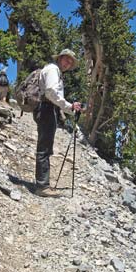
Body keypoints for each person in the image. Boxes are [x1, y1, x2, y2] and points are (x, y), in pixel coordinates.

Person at [33, 49, 82, 197]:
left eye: (71, 62)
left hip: (47, 108)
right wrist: (68, 106)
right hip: (46, 108)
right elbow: (51, 92)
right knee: (44, 147)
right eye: (67, 60)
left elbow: (53, 95)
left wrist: (70, 108)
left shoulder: (54, 71)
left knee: (45, 146)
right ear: (60, 58)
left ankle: (43, 184)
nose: (68, 64)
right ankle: (42, 186)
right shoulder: (53, 69)